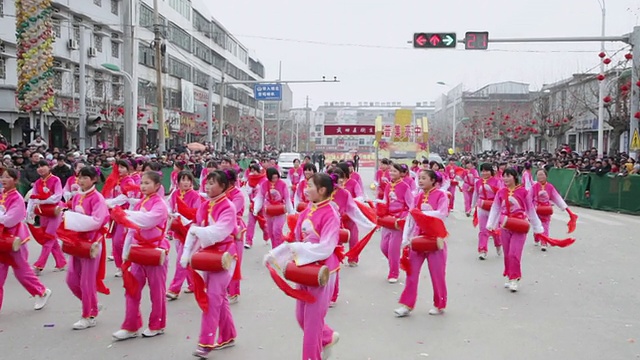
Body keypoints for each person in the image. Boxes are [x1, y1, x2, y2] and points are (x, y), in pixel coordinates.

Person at [264, 173, 341, 360]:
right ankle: (327, 336)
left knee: (312, 324)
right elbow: (296, 238)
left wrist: (297, 249)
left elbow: (326, 247)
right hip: (303, 269)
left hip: (321, 272)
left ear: (322, 190)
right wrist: (277, 255)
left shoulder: (331, 214)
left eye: (310, 186)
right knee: (302, 317)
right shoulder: (307, 211)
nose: (305, 189)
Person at [181, 170, 239, 358]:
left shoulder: (228, 206)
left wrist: (197, 232)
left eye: (213, 183)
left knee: (213, 296)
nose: (207, 186)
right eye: (207, 182)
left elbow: (220, 231)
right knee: (218, 297)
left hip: (224, 256)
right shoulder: (205, 205)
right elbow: (198, 229)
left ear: (223, 186)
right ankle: (228, 334)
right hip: (208, 254)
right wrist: (189, 251)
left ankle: (206, 341)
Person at [112, 171, 169, 340]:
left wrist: (124, 214)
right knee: (132, 289)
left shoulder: (160, 205)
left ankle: (157, 324)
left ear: (157, 186)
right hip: (137, 252)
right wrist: (126, 253)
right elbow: (131, 228)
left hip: (155, 251)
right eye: (142, 183)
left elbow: (146, 220)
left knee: (156, 291)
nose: (143, 186)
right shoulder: (139, 204)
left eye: (147, 183)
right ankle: (130, 326)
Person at [59, 166, 110, 330]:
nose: (81, 181)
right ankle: (93, 305)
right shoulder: (77, 197)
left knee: (87, 281)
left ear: (94, 179)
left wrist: (72, 219)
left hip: (91, 243)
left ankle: (89, 315)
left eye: (85, 178)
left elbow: (97, 221)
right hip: (77, 241)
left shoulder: (97, 198)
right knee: (71, 279)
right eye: (79, 178)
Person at [394, 169, 449, 317]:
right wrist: (406, 238)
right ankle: (407, 305)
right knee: (411, 273)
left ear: (433, 180)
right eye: (419, 178)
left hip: (435, 240)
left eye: (424, 178)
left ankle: (439, 304)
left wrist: (421, 214)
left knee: (437, 274)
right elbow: (411, 218)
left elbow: (441, 214)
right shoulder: (417, 197)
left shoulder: (441, 195)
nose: (420, 180)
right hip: (417, 240)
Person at [0, 168, 52, 312]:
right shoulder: (2, 195)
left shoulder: (16, 197)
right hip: (2, 240)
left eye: (7, 177)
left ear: (15, 180)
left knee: (21, 272)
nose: (3, 180)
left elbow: (10, 220)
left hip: (15, 240)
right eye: (2, 177)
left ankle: (41, 291)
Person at [487, 168, 543, 292]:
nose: (505, 179)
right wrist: (491, 223)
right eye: (504, 176)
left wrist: (537, 227)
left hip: (519, 225)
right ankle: (509, 276)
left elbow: (530, 210)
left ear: (515, 177)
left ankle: (515, 278)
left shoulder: (523, 192)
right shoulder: (501, 192)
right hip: (505, 226)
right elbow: (495, 208)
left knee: (514, 253)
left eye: (508, 176)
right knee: (507, 254)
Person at [327, 167, 375, 306]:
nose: (338, 182)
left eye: (340, 178)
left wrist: (368, 224)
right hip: (321, 231)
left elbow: (354, 210)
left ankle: (332, 295)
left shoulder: (345, 193)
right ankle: (322, 291)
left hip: (338, 228)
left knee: (334, 261)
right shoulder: (321, 190)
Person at [166, 171, 201, 300]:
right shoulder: (175, 194)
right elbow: (169, 207)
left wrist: (185, 218)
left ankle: (174, 289)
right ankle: (193, 284)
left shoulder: (195, 196)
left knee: (181, 260)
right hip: (177, 230)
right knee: (185, 260)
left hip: (189, 231)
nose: (185, 182)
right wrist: (172, 214)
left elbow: (197, 214)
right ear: (178, 182)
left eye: (188, 180)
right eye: (183, 180)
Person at [29, 160, 67, 275]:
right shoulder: (37, 182)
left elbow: (57, 196)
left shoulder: (56, 180)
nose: (40, 168)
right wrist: (30, 212)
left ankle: (39, 265)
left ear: (49, 167)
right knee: (51, 239)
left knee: (48, 237)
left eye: (43, 166)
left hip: (55, 211)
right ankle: (61, 262)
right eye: (38, 167)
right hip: (43, 212)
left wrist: (42, 200)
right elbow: (32, 198)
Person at [378, 163, 414, 283]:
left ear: (400, 173)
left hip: (399, 221)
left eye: (395, 171)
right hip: (388, 219)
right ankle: (396, 262)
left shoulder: (404, 186)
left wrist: (405, 218)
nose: (392, 173)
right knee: (384, 247)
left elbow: (410, 204)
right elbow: (385, 201)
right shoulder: (388, 186)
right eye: (391, 171)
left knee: (393, 248)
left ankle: (394, 273)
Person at [104, 160, 138, 278]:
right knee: (114, 241)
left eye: (123, 167)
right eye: (118, 167)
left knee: (120, 240)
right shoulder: (114, 180)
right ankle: (119, 266)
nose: (120, 169)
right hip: (113, 213)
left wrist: (110, 202)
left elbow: (125, 197)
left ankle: (127, 264)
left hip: (123, 214)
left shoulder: (129, 181)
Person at [529, 169, 578, 251]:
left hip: (546, 209)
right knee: (536, 226)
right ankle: (536, 237)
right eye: (538, 175)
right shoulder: (534, 187)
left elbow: (557, 198)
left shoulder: (550, 187)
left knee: (545, 226)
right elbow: (528, 199)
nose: (540, 176)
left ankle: (544, 242)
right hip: (536, 209)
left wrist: (567, 210)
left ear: (546, 176)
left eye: (542, 174)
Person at [253, 167, 294, 249]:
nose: (275, 179)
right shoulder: (264, 185)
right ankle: (274, 248)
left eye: (276, 177)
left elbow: (287, 198)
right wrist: (256, 209)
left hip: (280, 210)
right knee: (271, 231)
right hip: (269, 210)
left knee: (277, 230)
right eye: (273, 178)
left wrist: (291, 212)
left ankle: (279, 248)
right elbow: (260, 197)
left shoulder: (282, 184)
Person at [223, 169, 246, 304]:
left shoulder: (238, 195)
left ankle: (234, 292)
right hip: (222, 230)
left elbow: (231, 212)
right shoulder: (221, 193)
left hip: (236, 229)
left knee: (234, 261)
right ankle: (224, 289)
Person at [471, 163, 503, 260]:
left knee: (494, 229)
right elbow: (475, 194)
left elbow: (500, 194)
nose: (484, 173)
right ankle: (482, 250)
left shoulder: (497, 181)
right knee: (483, 230)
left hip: (494, 208)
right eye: (483, 171)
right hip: (482, 207)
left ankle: (498, 244)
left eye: (487, 171)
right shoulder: (478, 182)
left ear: (491, 172)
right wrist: (472, 206)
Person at [245, 164, 268, 248]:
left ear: (258, 171)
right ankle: (248, 241)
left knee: (263, 223)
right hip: (252, 205)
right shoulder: (249, 181)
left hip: (261, 205)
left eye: (254, 170)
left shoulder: (264, 180)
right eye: (251, 171)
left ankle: (266, 233)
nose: (253, 172)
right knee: (251, 223)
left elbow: (265, 193)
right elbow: (248, 192)